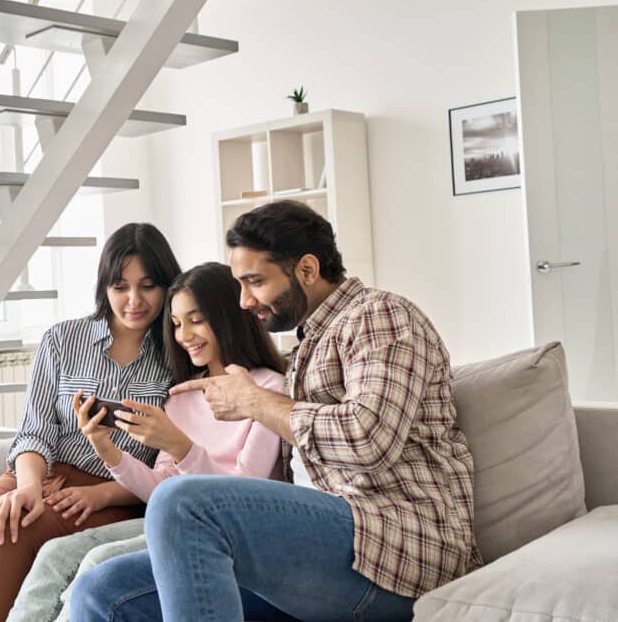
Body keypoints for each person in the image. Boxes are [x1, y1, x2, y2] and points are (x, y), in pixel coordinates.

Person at [70, 201, 482, 622]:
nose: (244, 301)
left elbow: (367, 440)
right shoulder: (307, 346)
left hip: (396, 546)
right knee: (100, 588)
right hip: (320, 547)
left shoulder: (380, 317)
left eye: (255, 282)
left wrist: (252, 402)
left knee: (183, 501)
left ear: (306, 269)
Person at [0, 222, 181, 622]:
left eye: (148, 286)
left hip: (113, 491)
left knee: (7, 536)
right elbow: (34, 431)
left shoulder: (179, 356)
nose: (134, 300)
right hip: (38, 473)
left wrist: (103, 494)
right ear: (105, 287)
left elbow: (171, 467)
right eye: (120, 286)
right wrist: (28, 487)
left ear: (167, 286)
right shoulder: (63, 340)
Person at [6, 262, 287, 622]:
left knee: (97, 563)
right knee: (55, 555)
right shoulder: (181, 398)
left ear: (229, 316)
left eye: (196, 320)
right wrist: (106, 448)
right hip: (171, 519)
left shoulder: (267, 391)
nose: (184, 335)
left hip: (229, 534)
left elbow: (243, 495)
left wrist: (181, 447)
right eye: (177, 323)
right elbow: (159, 490)